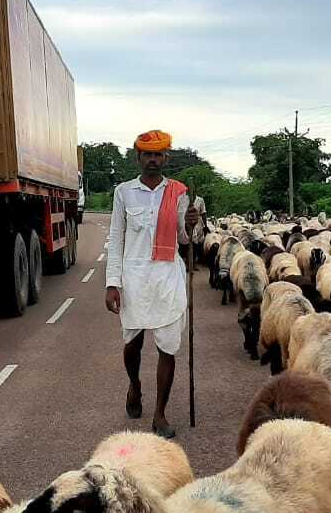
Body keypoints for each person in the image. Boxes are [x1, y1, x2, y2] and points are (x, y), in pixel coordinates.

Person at [104, 129, 200, 438]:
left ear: (166, 158)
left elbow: (186, 239)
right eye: (148, 154)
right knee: (132, 343)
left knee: (168, 347)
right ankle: (134, 385)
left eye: (158, 154)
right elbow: (116, 238)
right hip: (133, 277)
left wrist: (191, 224)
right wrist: (112, 283)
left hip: (167, 276)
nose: (153, 160)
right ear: (139, 158)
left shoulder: (179, 193)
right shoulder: (123, 192)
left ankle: (160, 414)